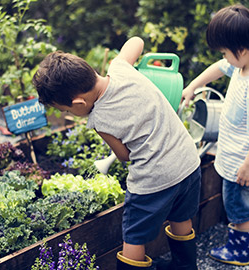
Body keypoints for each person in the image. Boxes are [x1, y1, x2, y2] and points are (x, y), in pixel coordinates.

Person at [33, 36, 201, 270]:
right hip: (188, 161)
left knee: (134, 235)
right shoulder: (120, 67)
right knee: (181, 217)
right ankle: (185, 267)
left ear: (79, 103)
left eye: (65, 109)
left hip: (154, 179)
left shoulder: (98, 119)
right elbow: (136, 41)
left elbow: (124, 155)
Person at [181, 4, 249, 266]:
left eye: (225, 51)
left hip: (243, 162)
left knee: (237, 205)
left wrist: (248, 165)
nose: (224, 57)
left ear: (241, 49)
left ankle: (239, 251)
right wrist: (193, 86)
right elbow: (221, 67)